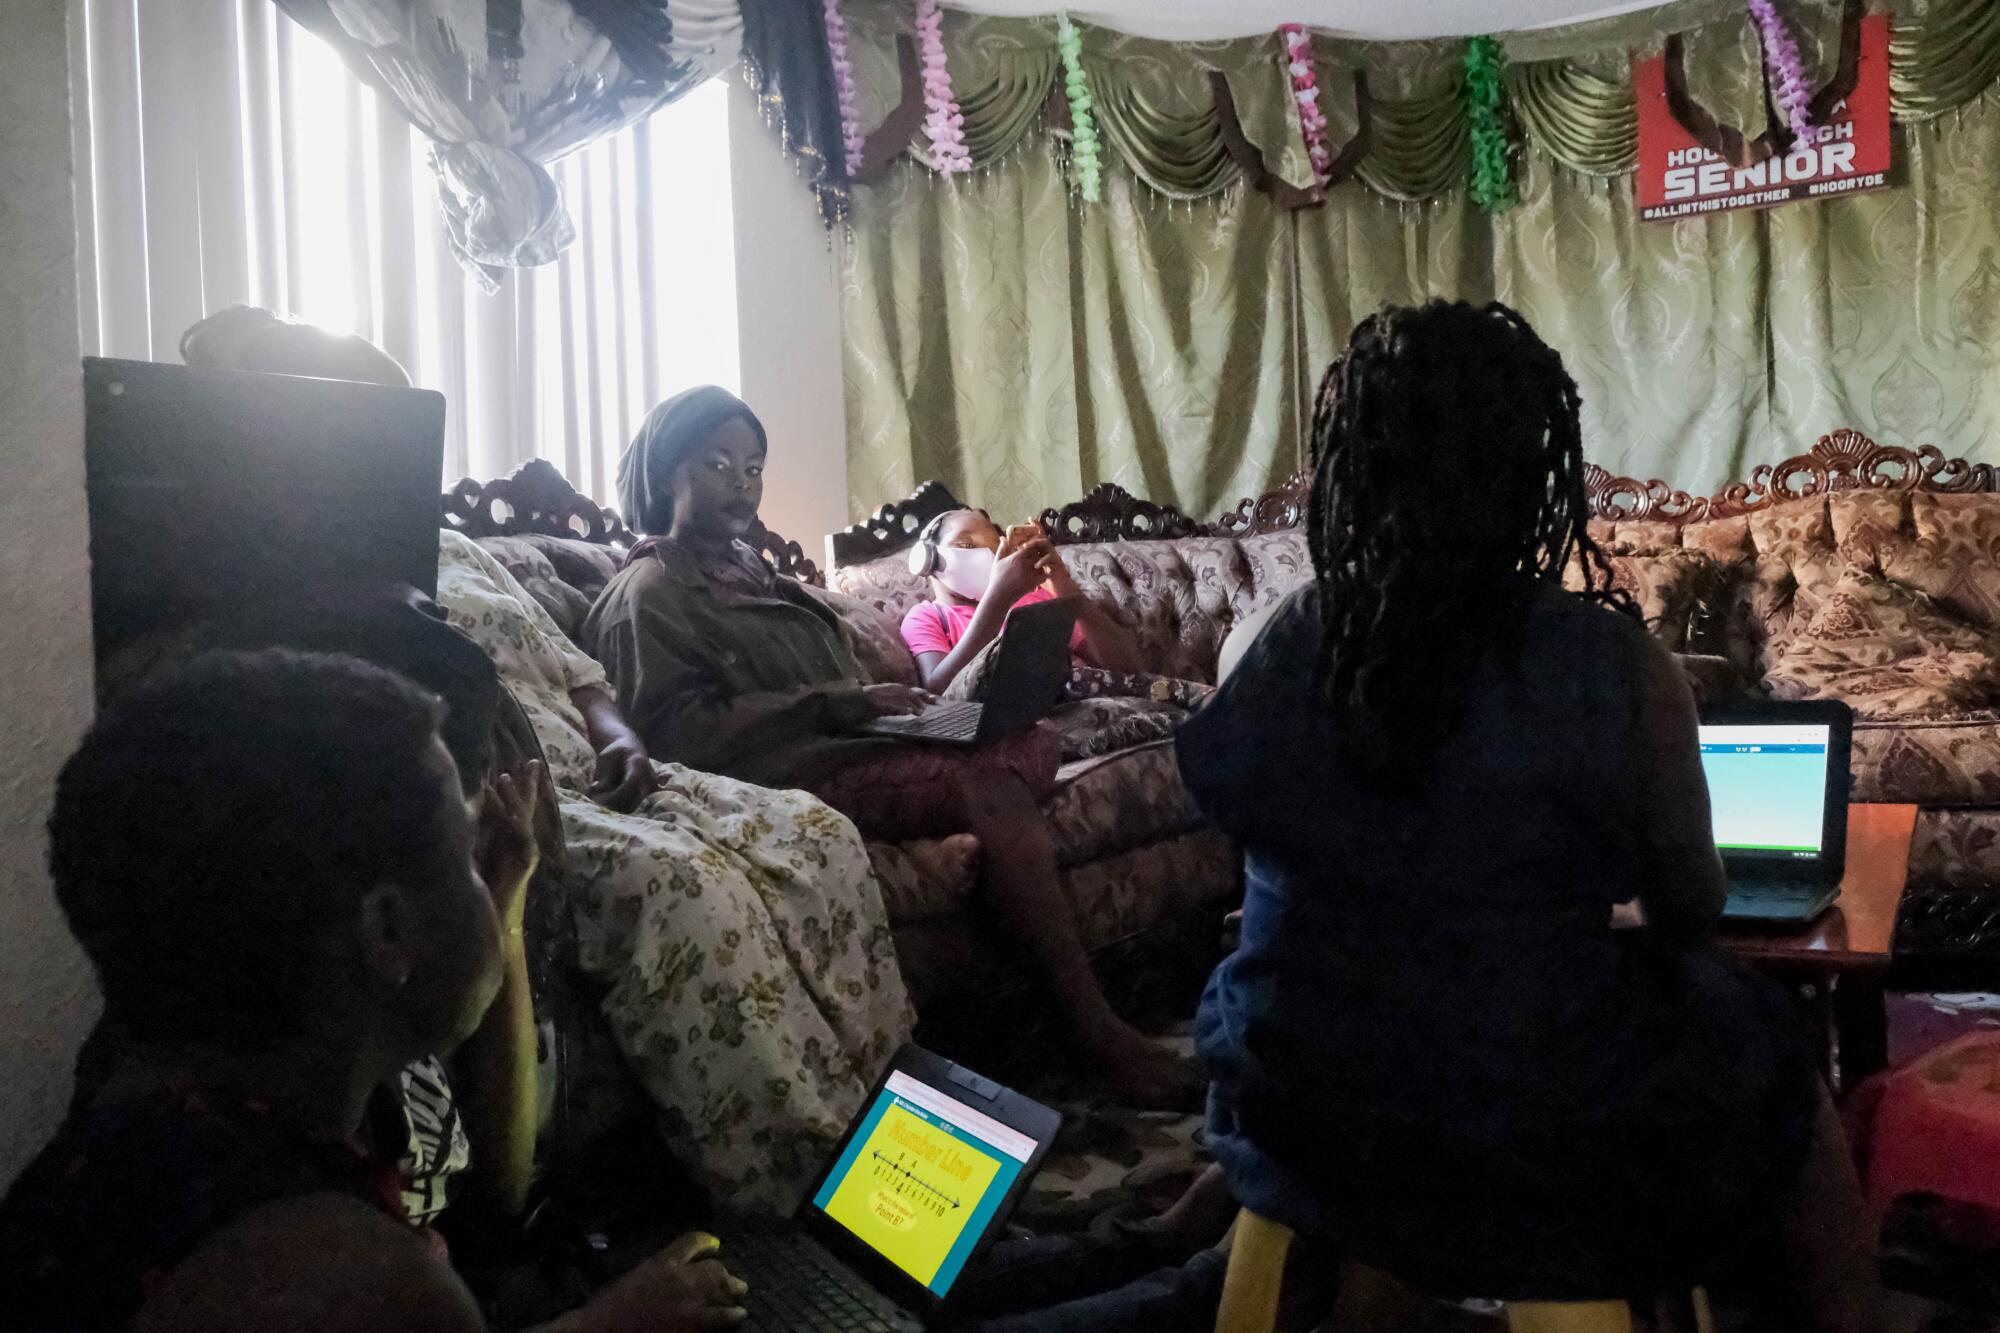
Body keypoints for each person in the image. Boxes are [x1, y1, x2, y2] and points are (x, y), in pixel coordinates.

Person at [1181, 301, 1878, 1327]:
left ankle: (1265, 1252)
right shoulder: (1615, 667)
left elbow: (1256, 847)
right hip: (1526, 1110)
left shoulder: (1262, 642)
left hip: (1304, 1089)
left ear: (1346, 466)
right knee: (1770, 1043)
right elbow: (1690, 909)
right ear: (1531, 473)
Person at [181, 306, 915, 1212]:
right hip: (520, 793)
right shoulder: (291, 579)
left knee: (815, 832)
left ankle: (898, 1137)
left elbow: (578, 672)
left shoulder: (459, 552)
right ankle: (801, 1186)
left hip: (606, 766)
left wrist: (621, 738)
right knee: (683, 888)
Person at [0, 650, 749, 1333]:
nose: (485, 885)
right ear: (387, 930)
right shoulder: (364, 1286)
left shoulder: (143, 1105)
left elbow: (499, 1187)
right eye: (463, 853)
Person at [582, 387, 1194, 1108]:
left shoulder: (755, 571)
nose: (741, 484)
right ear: (664, 473)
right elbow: (679, 734)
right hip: (783, 775)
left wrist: (882, 710)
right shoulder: (649, 590)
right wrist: (843, 703)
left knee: (1022, 737)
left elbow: (836, 680)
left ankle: (966, 862)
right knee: (990, 781)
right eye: (717, 464)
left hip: (851, 744)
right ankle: (1097, 1037)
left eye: (753, 467)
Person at [900, 509, 1142, 694]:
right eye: (965, 545)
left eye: (995, 548)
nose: (984, 555)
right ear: (926, 558)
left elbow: (1128, 666)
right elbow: (937, 689)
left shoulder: (1033, 600)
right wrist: (998, 600)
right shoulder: (926, 617)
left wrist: (1069, 591)